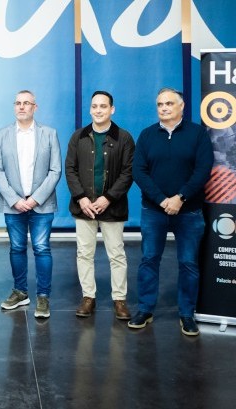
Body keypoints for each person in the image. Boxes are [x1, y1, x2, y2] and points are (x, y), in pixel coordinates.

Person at [128, 87, 213, 336]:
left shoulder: (197, 134)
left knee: (188, 263)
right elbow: (138, 171)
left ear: (181, 106)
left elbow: (203, 170)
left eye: (169, 103)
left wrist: (180, 198)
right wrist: (162, 200)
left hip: (189, 212)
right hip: (154, 211)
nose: (164, 108)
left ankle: (187, 314)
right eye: (160, 104)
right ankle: (145, 310)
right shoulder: (147, 135)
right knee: (149, 260)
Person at [0, 90, 62, 318]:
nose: (21, 107)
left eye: (26, 103)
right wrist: (14, 199)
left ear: (35, 107)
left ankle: (43, 296)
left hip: (41, 204)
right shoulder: (2, 135)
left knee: (42, 248)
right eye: (18, 103)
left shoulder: (49, 134)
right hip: (13, 205)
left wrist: (34, 199)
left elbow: (55, 170)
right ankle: (20, 292)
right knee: (17, 248)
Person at [65, 91, 134, 320]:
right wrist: (81, 198)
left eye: (103, 106)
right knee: (84, 253)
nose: (98, 110)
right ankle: (88, 297)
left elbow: (128, 172)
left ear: (112, 109)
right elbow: (70, 169)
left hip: (112, 207)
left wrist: (108, 198)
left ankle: (119, 299)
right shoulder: (79, 137)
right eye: (94, 106)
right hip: (84, 207)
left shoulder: (124, 138)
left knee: (117, 254)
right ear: (90, 109)